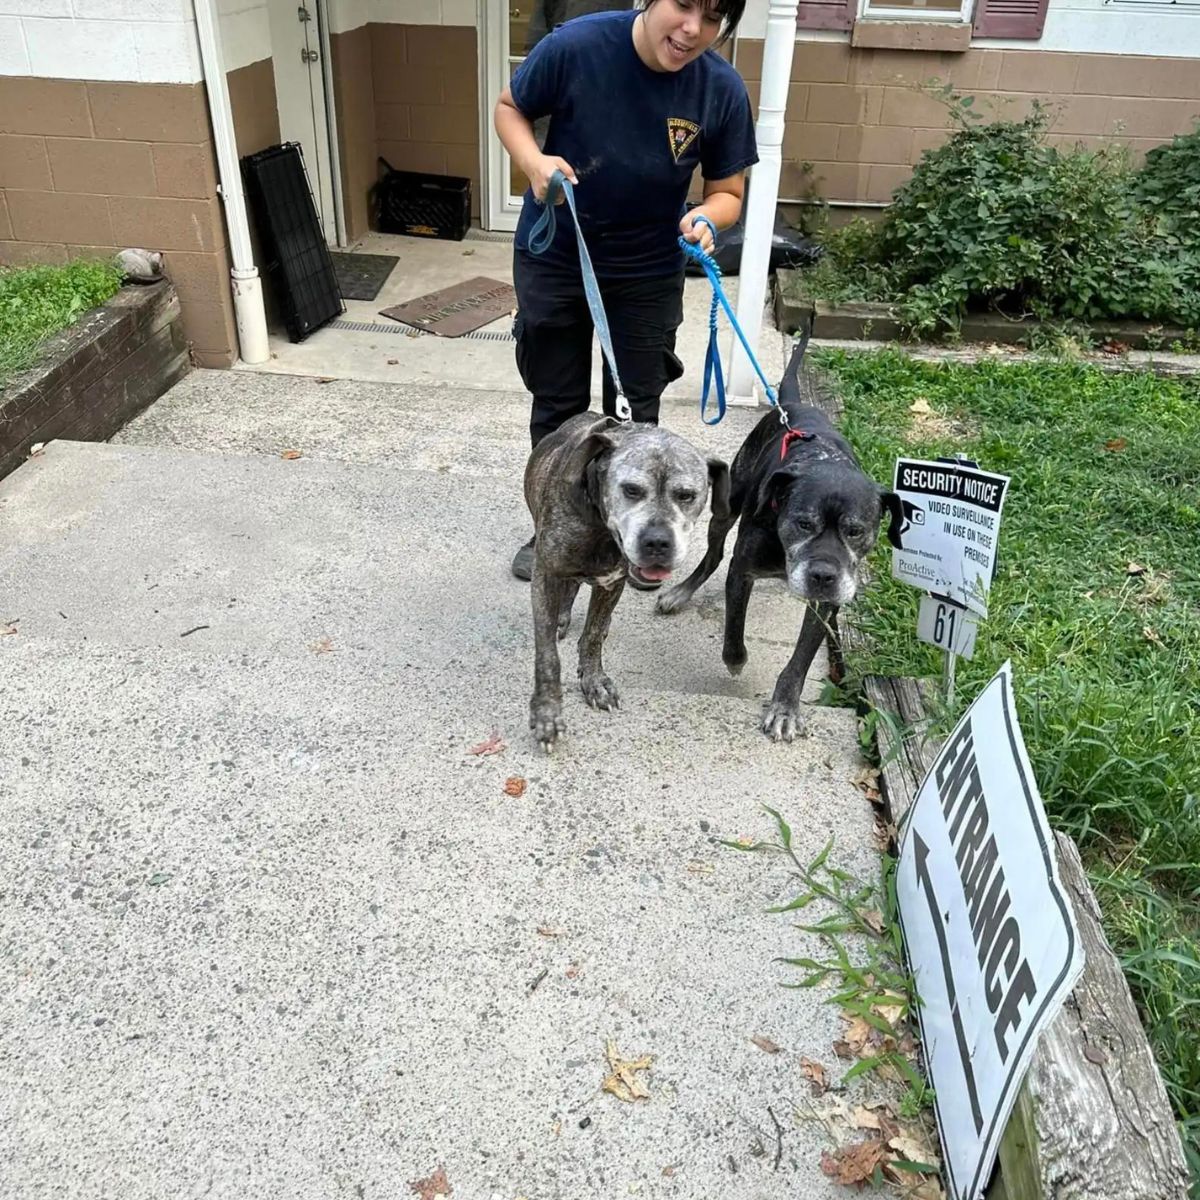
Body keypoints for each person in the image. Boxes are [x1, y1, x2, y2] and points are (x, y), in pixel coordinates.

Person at [494, 0, 757, 581]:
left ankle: (628, 534)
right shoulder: (575, 47)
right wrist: (533, 160)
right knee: (559, 410)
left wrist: (709, 218)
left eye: (712, 18)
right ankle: (554, 534)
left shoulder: (720, 88)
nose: (692, 28)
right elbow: (511, 108)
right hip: (559, 253)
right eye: (682, 5)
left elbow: (728, 191)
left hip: (647, 268)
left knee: (633, 414)